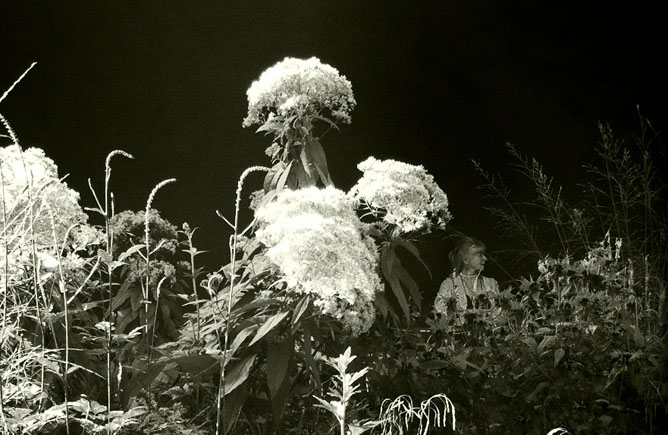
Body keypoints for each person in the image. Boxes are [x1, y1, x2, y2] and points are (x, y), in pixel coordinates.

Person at [434, 236, 499, 314]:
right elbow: (441, 316)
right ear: (466, 260)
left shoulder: (491, 284)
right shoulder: (449, 285)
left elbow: (499, 313)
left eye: (484, 255)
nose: (485, 258)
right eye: (480, 255)